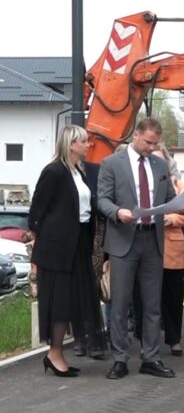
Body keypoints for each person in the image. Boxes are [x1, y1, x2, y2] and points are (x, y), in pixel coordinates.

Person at [97, 117, 184, 380]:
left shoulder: (160, 165)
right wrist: (118, 212)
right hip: (123, 239)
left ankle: (151, 357)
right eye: (148, 142)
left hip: (153, 240)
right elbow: (102, 199)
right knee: (119, 303)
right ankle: (120, 359)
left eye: (155, 144)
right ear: (136, 135)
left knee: (152, 303)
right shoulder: (111, 163)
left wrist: (180, 206)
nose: (151, 148)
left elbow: (168, 198)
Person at [28, 125, 106, 377]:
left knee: (73, 300)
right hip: (58, 249)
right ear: (71, 144)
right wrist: (40, 241)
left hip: (78, 245)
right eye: (83, 141)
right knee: (60, 302)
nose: (88, 145)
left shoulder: (77, 172)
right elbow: (37, 211)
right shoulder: (54, 171)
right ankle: (54, 354)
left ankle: (58, 352)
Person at [152, 145, 184, 356]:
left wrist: (172, 219)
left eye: (159, 159)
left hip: (173, 247)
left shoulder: (180, 185)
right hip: (148, 245)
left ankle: (174, 339)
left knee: (173, 296)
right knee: (149, 297)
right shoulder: (140, 184)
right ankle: (148, 341)